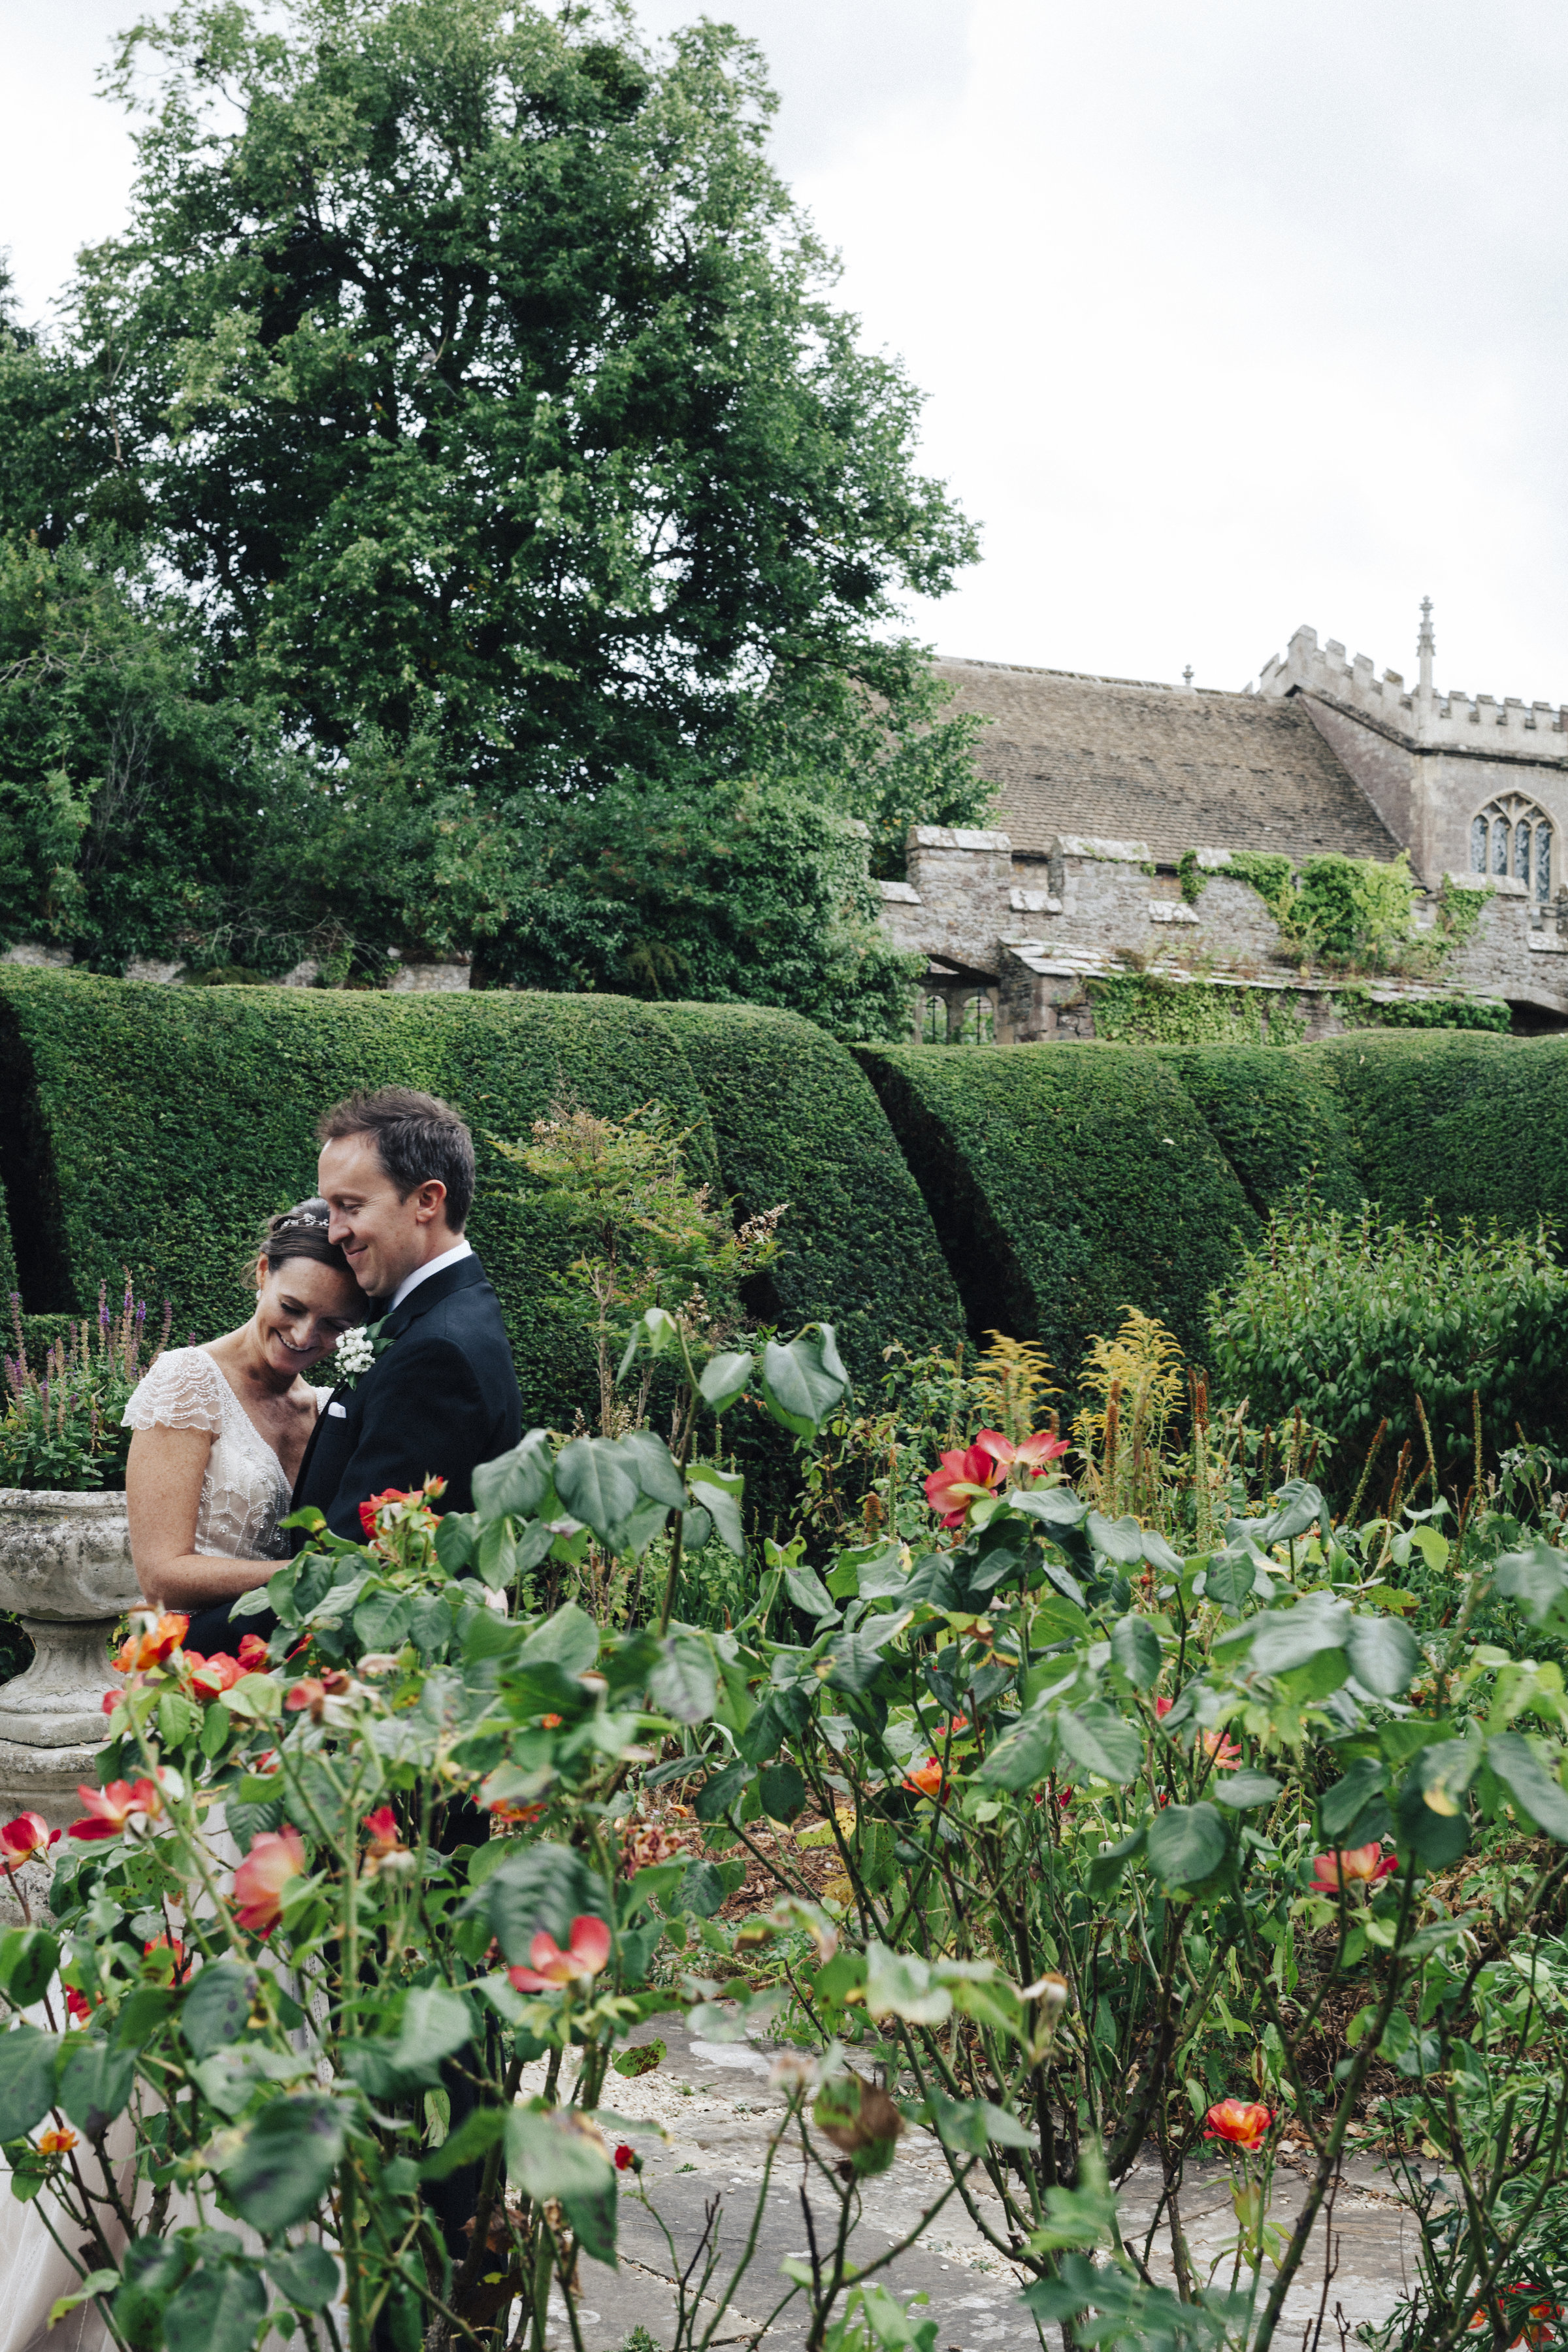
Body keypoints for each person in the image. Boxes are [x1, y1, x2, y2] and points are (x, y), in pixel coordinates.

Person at [184, 1086, 522, 1656]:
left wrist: (184, 1652)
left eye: (351, 1206)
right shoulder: (434, 1316)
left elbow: (352, 1575)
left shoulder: (436, 1352)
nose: (334, 1230)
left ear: (426, 1201)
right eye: (330, 1206)